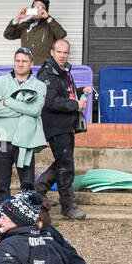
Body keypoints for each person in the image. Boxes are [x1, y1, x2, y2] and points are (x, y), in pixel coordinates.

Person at [33, 38, 90, 220]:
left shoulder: (64, 72)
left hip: (67, 125)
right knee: (66, 166)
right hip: (56, 125)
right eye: (59, 52)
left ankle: (38, 190)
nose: (62, 55)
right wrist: (75, 103)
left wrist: (80, 91)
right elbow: (51, 101)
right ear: (52, 52)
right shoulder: (46, 74)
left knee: (62, 162)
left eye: (65, 52)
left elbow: (64, 93)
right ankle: (68, 206)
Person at [0, 48, 47, 203]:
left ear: (31, 63)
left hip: (25, 140)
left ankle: (27, 216)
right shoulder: (1, 81)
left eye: (24, 61)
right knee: (2, 183)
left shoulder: (39, 86)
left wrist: (7, 102)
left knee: (27, 184)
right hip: (1, 138)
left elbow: (35, 110)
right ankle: (1, 215)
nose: (20, 64)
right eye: (18, 61)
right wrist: (22, 111)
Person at [4, 0, 66, 65]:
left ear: (46, 11)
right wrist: (17, 18)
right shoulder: (26, 24)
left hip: (44, 67)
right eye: (35, 8)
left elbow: (61, 35)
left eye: (40, 8)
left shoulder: (50, 24)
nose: (37, 10)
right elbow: (8, 35)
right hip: (26, 66)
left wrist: (48, 17)